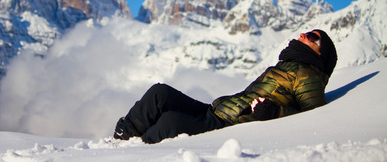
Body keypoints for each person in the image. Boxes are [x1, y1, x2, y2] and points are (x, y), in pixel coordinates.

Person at [113, 29, 338, 144]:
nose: (302, 35)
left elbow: (312, 117)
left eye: (311, 36)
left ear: (320, 51)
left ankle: (138, 151)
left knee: (171, 122)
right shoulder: (290, 65)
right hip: (216, 110)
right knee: (159, 93)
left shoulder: (309, 75)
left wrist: (274, 112)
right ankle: (123, 137)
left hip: (227, 123)